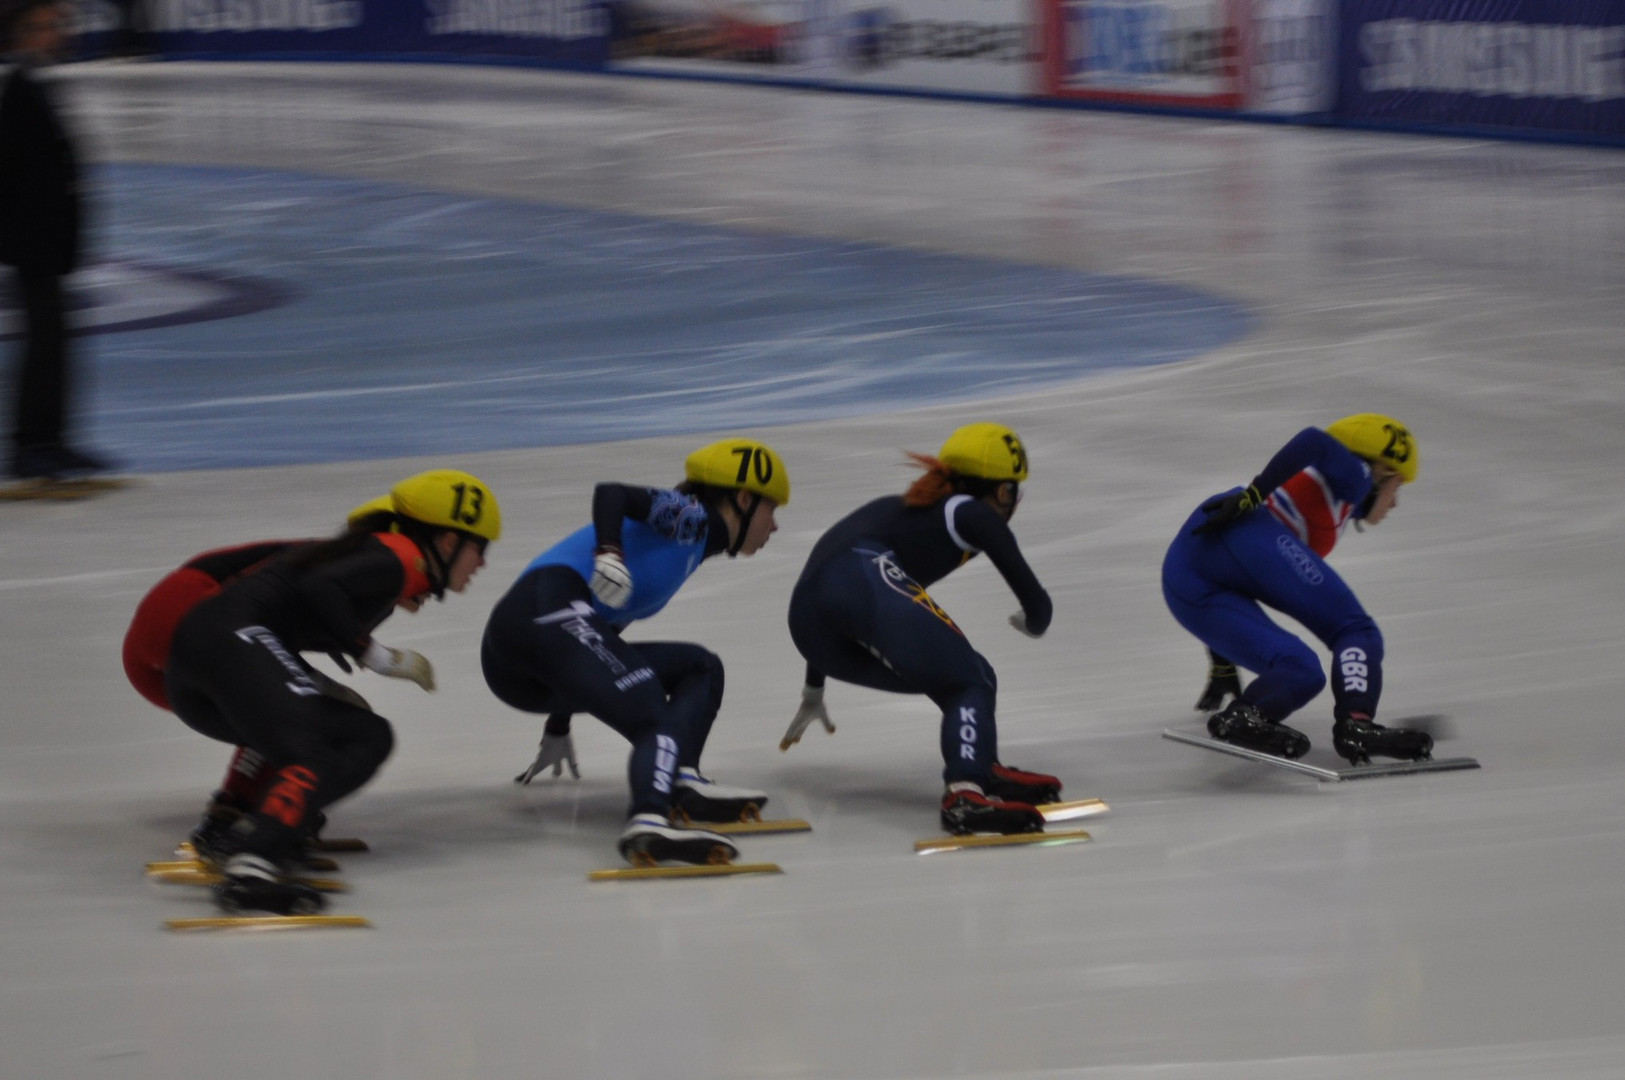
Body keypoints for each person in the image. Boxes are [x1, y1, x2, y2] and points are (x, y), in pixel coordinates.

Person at [162, 470, 500, 914]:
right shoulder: (399, 555)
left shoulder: (380, 553)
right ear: (448, 542)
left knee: (348, 731)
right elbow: (316, 587)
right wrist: (375, 654)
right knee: (341, 743)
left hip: (201, 658)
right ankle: (252, 865)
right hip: (231, 639)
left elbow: (311, 596)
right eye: (480, 547)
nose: (483, 564)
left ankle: (251, 828)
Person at [482, 437, 787, 867]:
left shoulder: (689, 550)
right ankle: (648, 820)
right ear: (742, 499)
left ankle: (678, 779)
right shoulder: (690, 518)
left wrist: (558, 722)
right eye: (772, 510)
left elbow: (599, 635)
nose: (774, 526)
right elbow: (613, 493)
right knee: (651, 714)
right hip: (539, 615)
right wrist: (609, 551)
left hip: (531, 656)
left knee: (700, 667)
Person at [782, 422, 1061, 837]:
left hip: (811, 628)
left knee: (974, 674)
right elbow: (1038, 606)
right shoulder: (972, 512)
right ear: (1002, 491)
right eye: (1015, 493)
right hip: (855, 584)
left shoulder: (911, 512)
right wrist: (1033, 622)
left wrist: (813, 688)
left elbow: (830, 589)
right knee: (968, 678)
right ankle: (964, 794)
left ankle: (979, 765)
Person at [1161, 413, 1433, 765]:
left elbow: (1227, 575)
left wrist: (1222, 661)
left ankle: (1245, 715)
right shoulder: (1357, 477)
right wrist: (1255, 494)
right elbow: (1314, 440)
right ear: (1381, 472)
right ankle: (1358, 725)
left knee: (1302, 670)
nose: (1395, 503)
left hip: (1184, 578)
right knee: (1355, 630)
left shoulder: (1329, 500)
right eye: (1398, 485)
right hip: (1242, 533)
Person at [1, 0, 111, 480]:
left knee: (56, 343)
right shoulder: (20, 89)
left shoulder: (39, 83)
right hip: (34, 244)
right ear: (26, 34)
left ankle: (55, 439)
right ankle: (30, 445)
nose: (60, 33)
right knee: (44, 344)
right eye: (50, 26)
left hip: (49, 242)